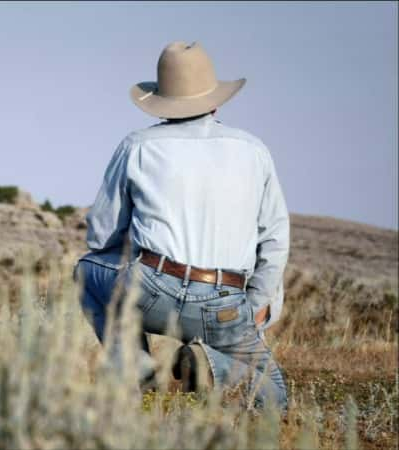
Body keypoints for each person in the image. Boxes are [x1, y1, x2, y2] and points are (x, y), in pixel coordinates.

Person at [75, 41, 289, 411]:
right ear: (215, 100)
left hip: (151, 290)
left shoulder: (138, 146)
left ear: (161, 100)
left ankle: (136, 371)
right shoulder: (254, 150)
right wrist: (254, 305)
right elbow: (274, 239)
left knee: (87, 270)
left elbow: (100, 235)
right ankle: (210, 364)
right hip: (225, 302)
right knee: (273, 395)